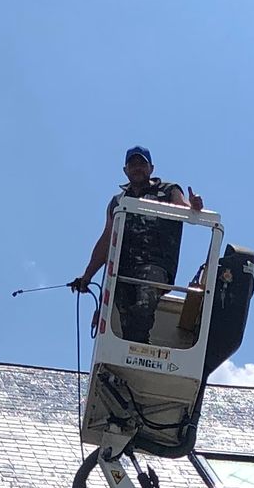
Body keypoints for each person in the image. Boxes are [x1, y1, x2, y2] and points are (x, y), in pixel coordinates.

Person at [71, 147, 203, 343]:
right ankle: (134, 353)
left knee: (143, 307)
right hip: (121, 269)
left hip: (155, 265)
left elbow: (184, 210)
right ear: (125, 170)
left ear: (151, 168)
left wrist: (194, 207)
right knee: (125, 323)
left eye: (142, 164)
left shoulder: (168, 190)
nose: (137, 168)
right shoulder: (118, 201)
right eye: (133, 165)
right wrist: (87, 276)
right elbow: (106, 239)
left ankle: (138, 349)